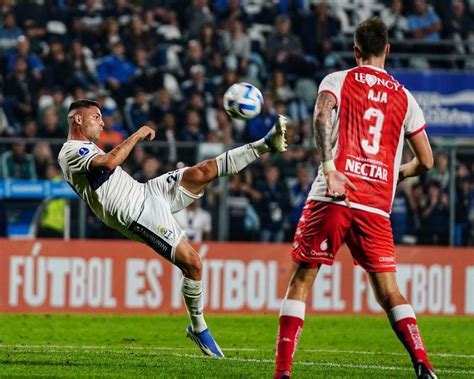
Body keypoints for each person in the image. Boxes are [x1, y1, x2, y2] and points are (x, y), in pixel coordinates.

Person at [58, 99, 288, 358]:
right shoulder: (70, 151)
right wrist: (137, 134)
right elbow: (110, 163)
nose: (102, 122)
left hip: (145, 191)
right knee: (194, 264)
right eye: (96, 116)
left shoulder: (87, 146)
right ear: (78, 119)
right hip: (136, 214)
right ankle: (199, 327)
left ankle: (266, 144)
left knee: (204, 170)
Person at [274, 17, 436, 379]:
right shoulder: (405, 98)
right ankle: (423, 363)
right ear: (387, 50)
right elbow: (426, 161)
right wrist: (397, 173)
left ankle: (283, 373)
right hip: (376, 206)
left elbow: (321, 114)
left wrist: (330, 166)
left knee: (301, 280)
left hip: (334, 193)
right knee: (389, 292)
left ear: (356, 51)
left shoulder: (339, 79)